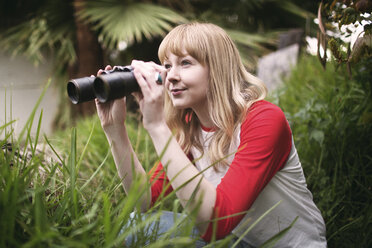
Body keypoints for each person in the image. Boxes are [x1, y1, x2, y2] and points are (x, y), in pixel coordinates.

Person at [95, 22, 327, 247]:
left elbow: (217, 224)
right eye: (167, 66)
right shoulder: (189, 130)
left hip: (285, 244)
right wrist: (115, 130)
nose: (171, 76)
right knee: (137, 225)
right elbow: (143, 201)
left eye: (185, 63)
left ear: (217, 69)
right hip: (236, 239)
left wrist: (156, 126)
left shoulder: (263, 119)